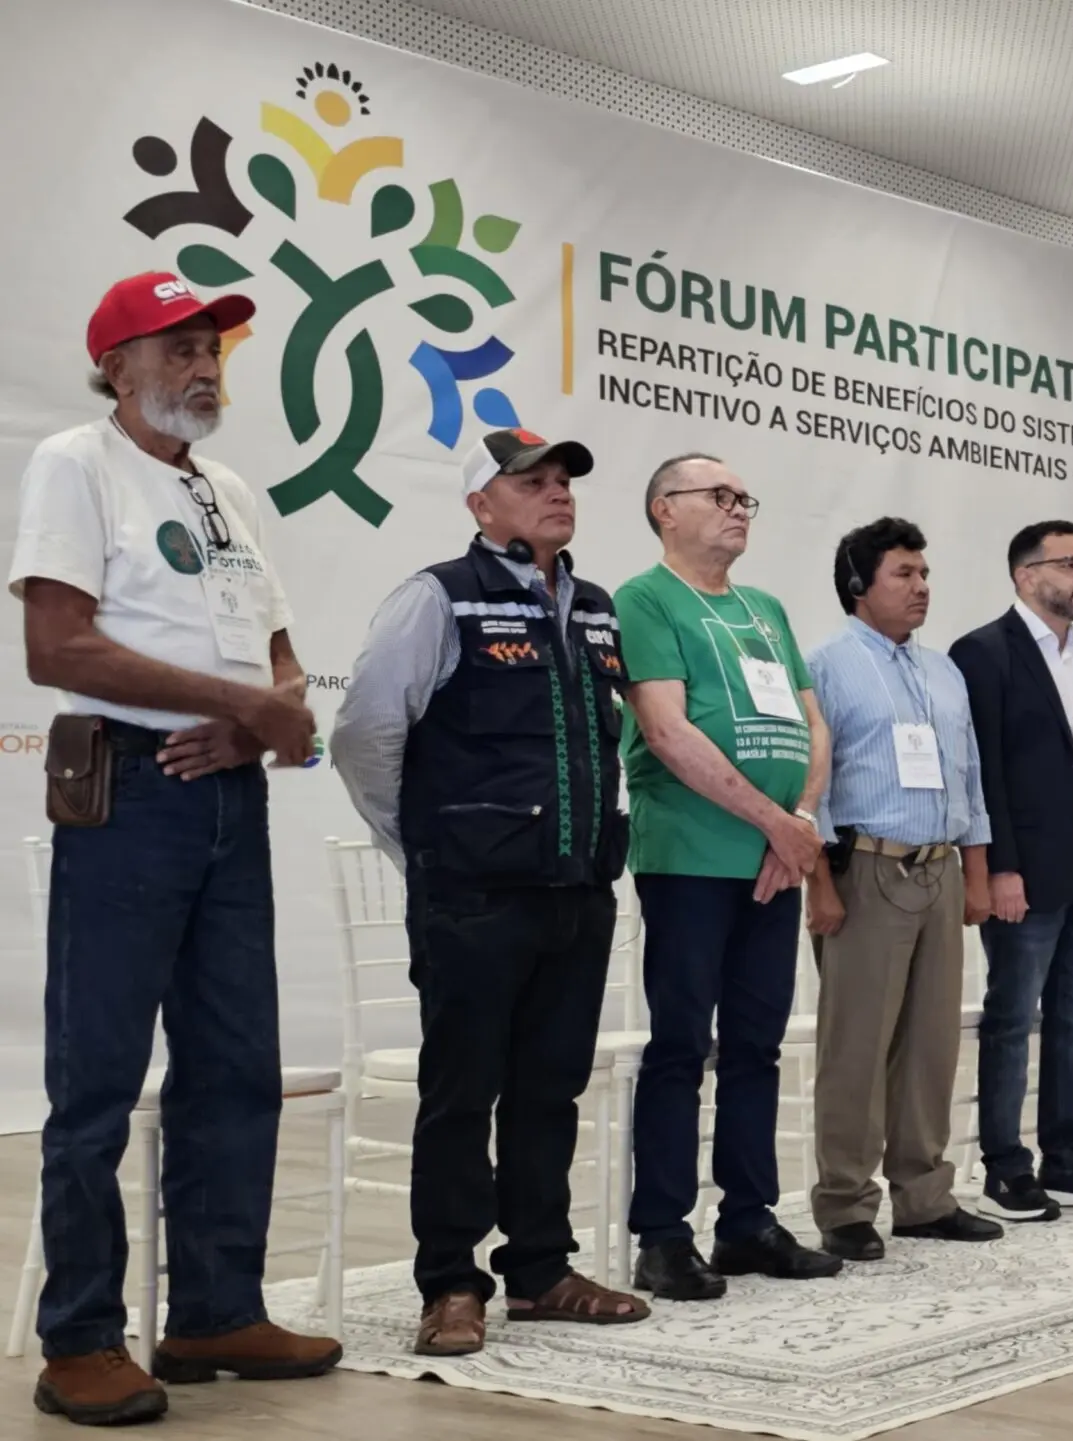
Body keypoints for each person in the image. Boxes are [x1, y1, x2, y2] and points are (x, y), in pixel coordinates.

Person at [13, 273, 337, 1424]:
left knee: (235, 1063)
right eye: (180, 347)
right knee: (98, 1076)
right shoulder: (76, 462)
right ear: (118, 367)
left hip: (227, 795)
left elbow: (280, 653)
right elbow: (56, 647)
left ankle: (213, 1311)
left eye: (213, 349)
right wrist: (238, 706)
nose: (205, 368)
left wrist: (265, 714)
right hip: (130, 791)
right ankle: (79, 1337)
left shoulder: (227, 487)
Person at [333, 427, 647, 1355]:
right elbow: (363, 733)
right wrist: (424, 847)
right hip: (472, 897)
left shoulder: (594, 608)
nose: (557, 493)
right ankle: (449, 1282)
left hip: (579, 892)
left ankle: (542, 1270)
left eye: (563, 481)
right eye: (531, 482)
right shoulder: (438, 597)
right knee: (462, 1093)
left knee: (551, 1088)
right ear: (480, 504)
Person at [619, 454, 842, 1299]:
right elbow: (668, 733)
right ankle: (663, 1235)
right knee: (682, 1044)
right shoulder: (645, 599)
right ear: (664, 509)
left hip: (775, 861)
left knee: (757, 1044)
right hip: (691, 855)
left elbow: (812, 725)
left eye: (745, 496)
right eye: (718, 495)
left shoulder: (766, 608)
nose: (738, 507)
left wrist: (801, 821)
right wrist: (774, 823)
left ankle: (748, 1220)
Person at [800, 517, 1006, 1264]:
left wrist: (975, 874)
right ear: (859, 584)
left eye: (924, 574)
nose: (921, 587)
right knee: (857, 1045)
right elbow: (812, 788)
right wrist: (820, 885)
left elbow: (969, 780)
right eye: (903, 574)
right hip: (866, 869)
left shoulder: (944, 671)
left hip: (940, 868)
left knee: (930, 1045)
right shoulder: (825, 666)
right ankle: (846, 1204)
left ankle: (924, 1197)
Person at [951, 520, 1073, 1217]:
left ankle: (1069, 1158)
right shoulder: (984, 652)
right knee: (1012, 1016)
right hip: (1027, 867)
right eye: (1068, 564)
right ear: (1025, 574)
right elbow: (985, 770)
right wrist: (999, 867)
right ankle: (1006, 1166)